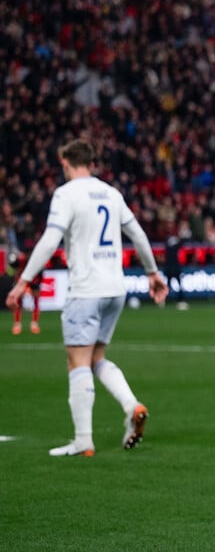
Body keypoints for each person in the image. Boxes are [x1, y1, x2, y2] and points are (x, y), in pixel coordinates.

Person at [5, 139, 168, 456]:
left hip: (86, 289)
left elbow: (51, 239)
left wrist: (24, 281)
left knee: (76, 361)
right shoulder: (111, 193)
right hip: (114, 290)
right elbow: (138, 235)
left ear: (65, 162)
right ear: (92, 163)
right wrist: (152, 273)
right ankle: (131, 405)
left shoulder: (66, 195)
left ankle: (83, 441)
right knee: (96, 358)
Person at [8, 251, 42, 334]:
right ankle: (17, 324)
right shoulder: (20, 259)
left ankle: (34, 324)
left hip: (34, 279)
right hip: (21, 280)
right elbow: (13, 266)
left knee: (36, 301)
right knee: (18, 301)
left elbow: (41, 270)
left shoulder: (36, 260)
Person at [165, 235, 188, 310]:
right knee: (178, 285)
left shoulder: (167, 247)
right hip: (175, 269)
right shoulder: (175, 247)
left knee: (168, 285)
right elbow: (182, 242)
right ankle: (180, 300)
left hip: (169, 269)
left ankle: (164, 300)